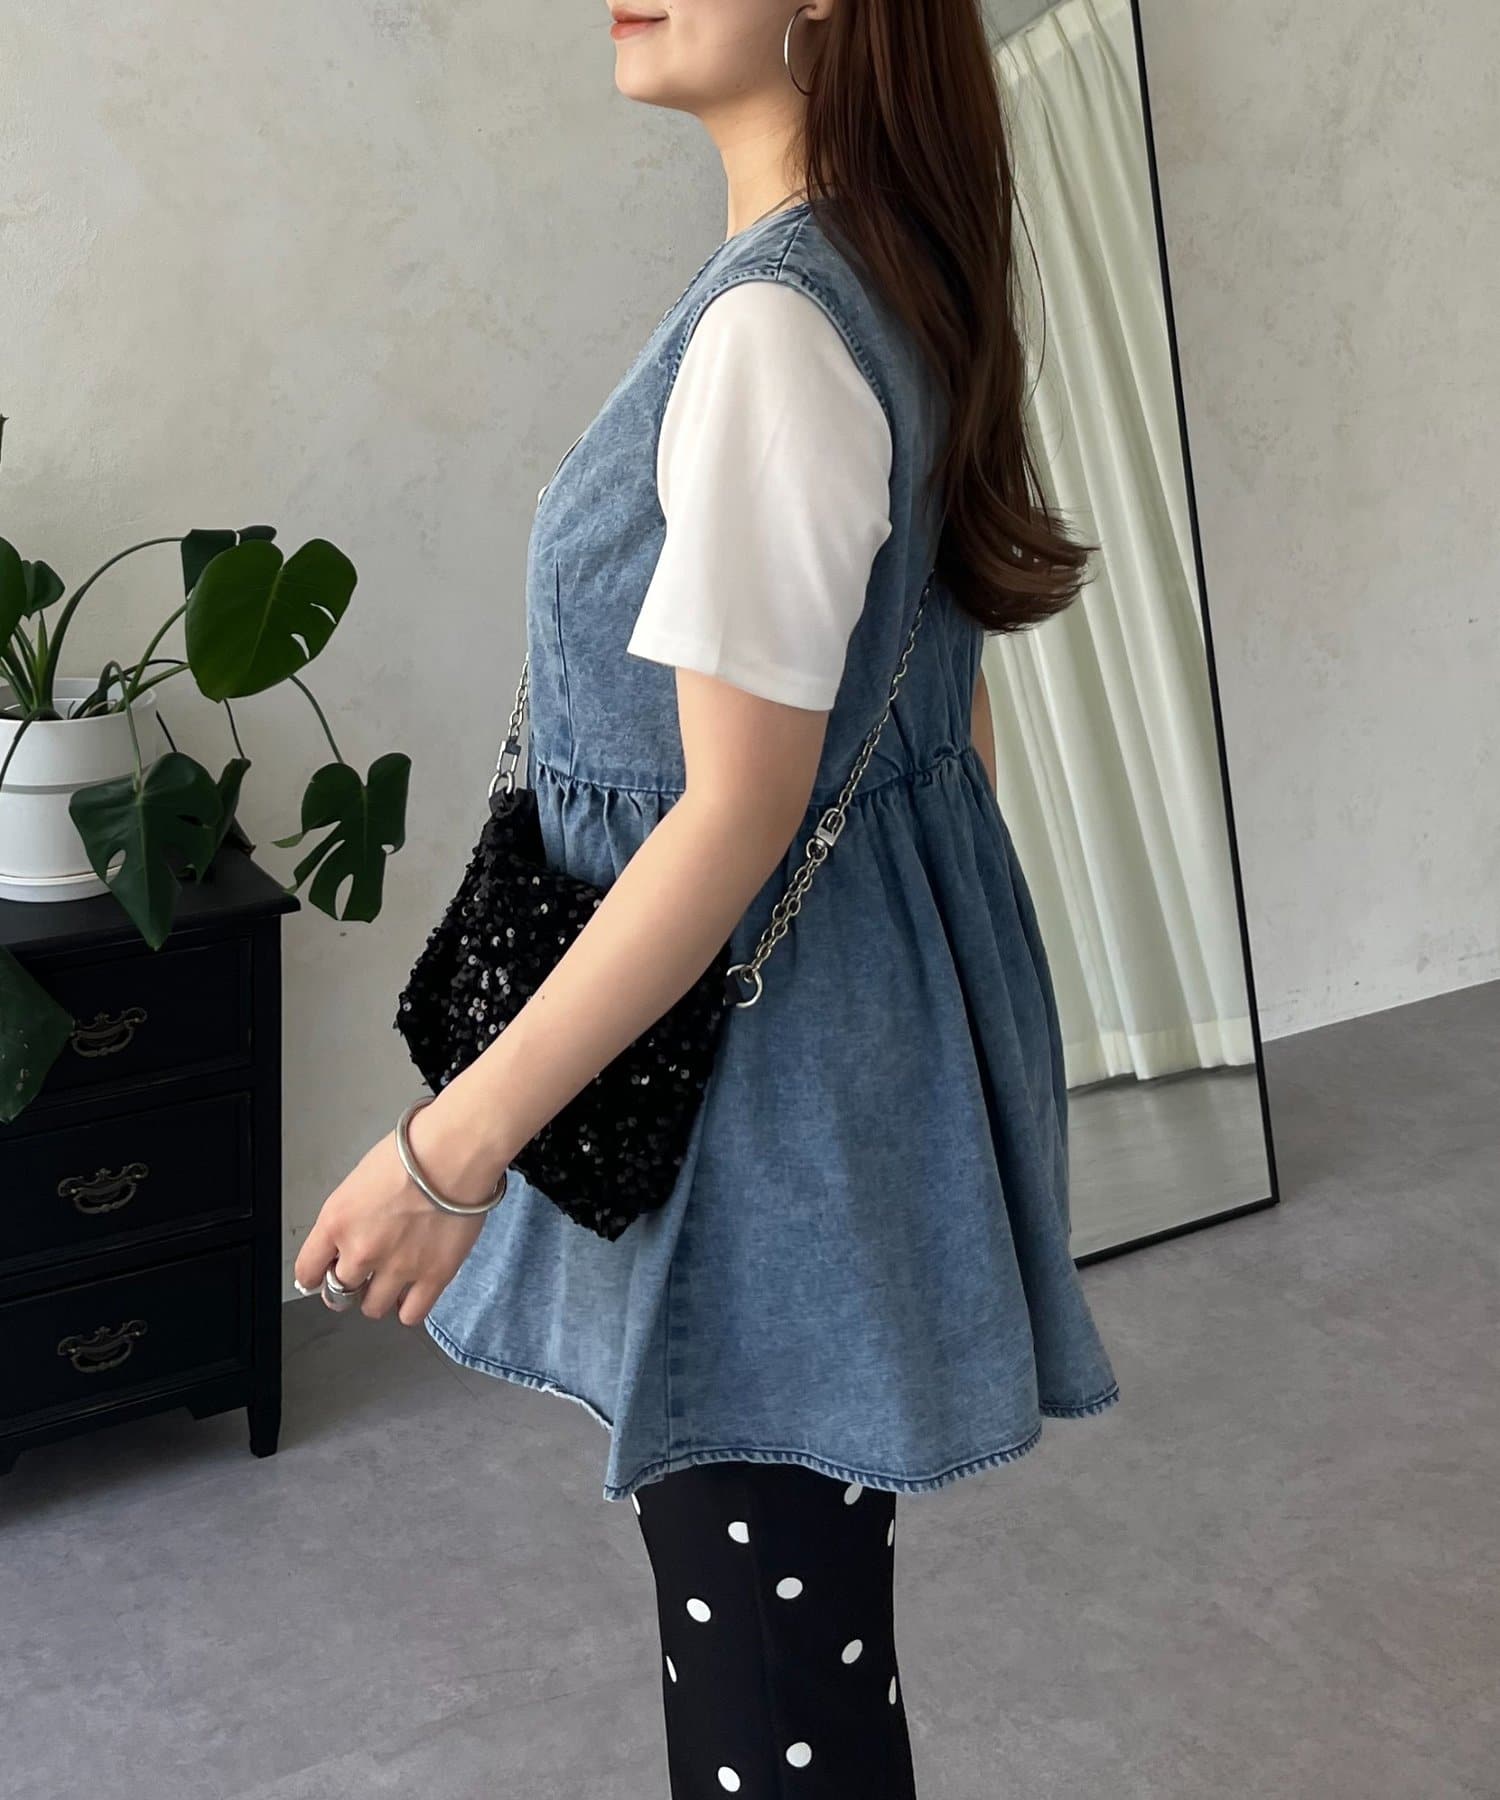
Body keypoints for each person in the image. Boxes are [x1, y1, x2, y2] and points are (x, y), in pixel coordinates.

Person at [294, 1, 1121, 1792]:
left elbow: (738, 811)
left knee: (767, 1682)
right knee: (793, 1654)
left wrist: (451, 1150)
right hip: (831, 1046)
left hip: (760, 1090)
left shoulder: (773, 325)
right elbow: (943, 719)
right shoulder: (884, 278)